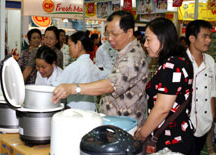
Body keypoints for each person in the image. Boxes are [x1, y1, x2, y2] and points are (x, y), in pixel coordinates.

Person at [53, 10, 148, 125]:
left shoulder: (133, 57)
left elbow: (111, 85)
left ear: (129, 32)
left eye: (115, 34)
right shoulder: (125, 52)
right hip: (117, 121)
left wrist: (74, 88)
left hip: (125, 124)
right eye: (108, 33)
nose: (110, 38)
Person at [134, 18, 195, 154]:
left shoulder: (171, 65)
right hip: (176, 135)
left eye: (148, 39)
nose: (145, 44)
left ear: (163, 38)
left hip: (171, 140)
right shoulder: (180, 60)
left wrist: (142, 134)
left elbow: (162, 109)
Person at [185, 20, 216, 155]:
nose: (208, 40)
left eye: (210, 36)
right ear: (192, 38)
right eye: (205, 36)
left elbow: (212, 90)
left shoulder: (210, 60)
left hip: (205, 122)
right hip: (184, 125)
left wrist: (212, 115)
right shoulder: (180, 61)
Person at [52, 31, 103, 111]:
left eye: (70, 45)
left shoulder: (75, 66)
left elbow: (56, 87)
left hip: (76, 111)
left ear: (78, 45)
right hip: (91, 110)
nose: (69, 49)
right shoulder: (93, 66)